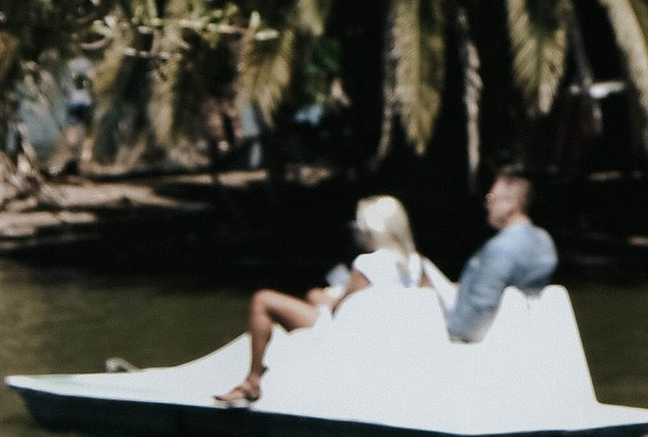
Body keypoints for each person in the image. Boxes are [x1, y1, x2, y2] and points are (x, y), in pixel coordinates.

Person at [218, 195, 443, 405]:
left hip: (348, 336)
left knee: (263, 300)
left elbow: (341, 310)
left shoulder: (366, 264)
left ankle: (252, 381)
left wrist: (321, 299)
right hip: (386, 336)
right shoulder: (417, 264)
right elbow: (425, 302)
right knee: (312, 296)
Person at [445, 169, 559, 344]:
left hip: (487, 338)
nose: (487, 204)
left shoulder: (500, 249)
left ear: (510, 204)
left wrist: (449, 333)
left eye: (491, 198)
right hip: (527, 330)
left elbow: (482, 304)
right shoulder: (543, 240)